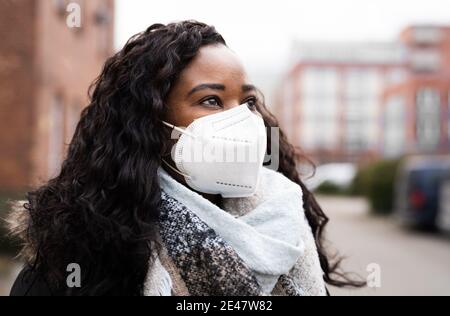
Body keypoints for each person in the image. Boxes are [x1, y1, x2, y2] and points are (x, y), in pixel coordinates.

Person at [8, 20, 363, 296]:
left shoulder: (286, 227)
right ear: (148, 121)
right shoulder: (80, 260)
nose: (242, 119)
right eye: (211, 100)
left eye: (249, 102)